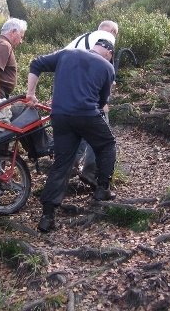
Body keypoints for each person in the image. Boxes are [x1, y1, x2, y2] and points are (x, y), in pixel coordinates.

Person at [26, 38, 117, 233]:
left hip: (60, 116)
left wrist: (30, 94)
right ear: (109, 53)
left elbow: (36, 64)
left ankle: (47, 216)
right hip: (87, 115)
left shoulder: (67, 53)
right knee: (107, 143)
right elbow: (102, 103)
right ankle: (103, 189)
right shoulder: (107, 67)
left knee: (62, 163)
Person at [65, 20, 119, 189]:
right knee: (102, 132)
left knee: (78, 128)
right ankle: (92, 172)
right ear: (111, 31)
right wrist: (103, 101)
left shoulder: (80, 40)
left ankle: (67, 168)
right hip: (88, 93)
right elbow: (103, 75)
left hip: (66, 90)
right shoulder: (105, 40)